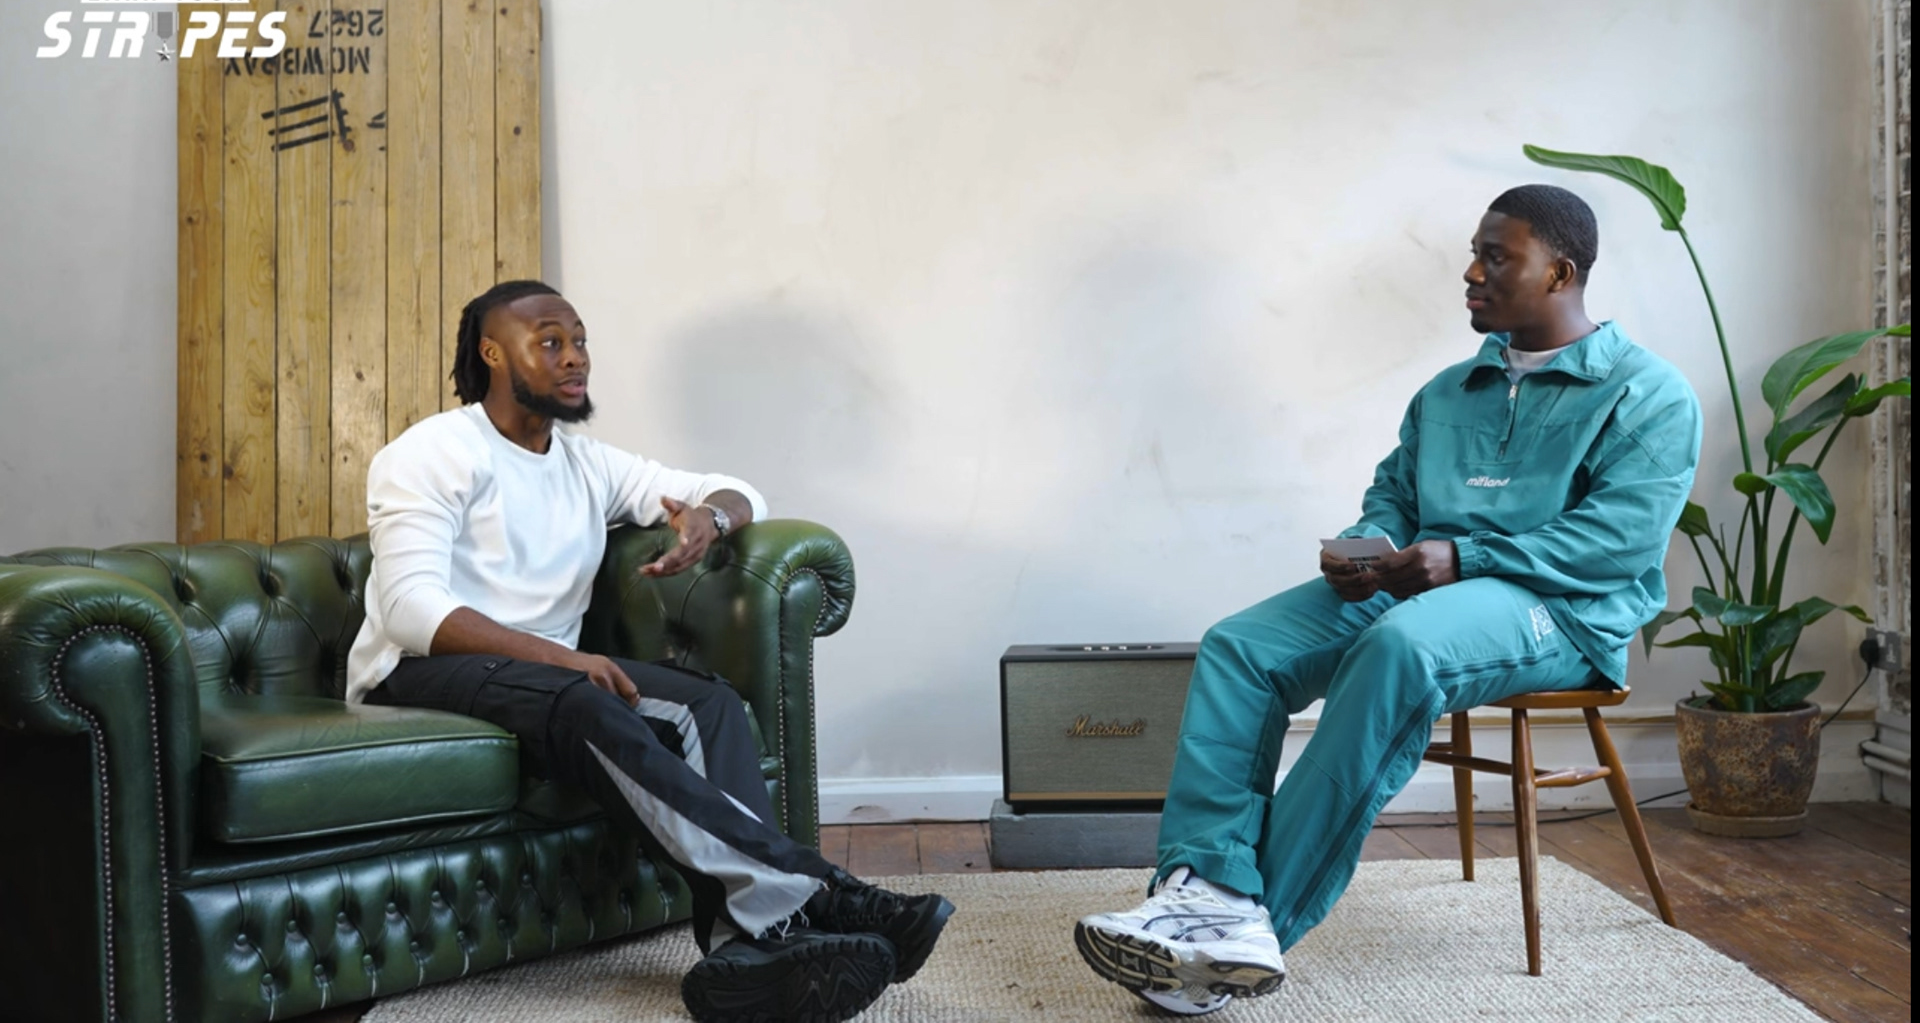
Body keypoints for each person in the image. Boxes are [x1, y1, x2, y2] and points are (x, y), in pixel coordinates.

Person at [1073, 185, 1702, 1015]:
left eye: (1496, 257)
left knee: (1399, 649)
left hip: (1562, 609)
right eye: (1473, 255)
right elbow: (1396, 497)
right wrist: (1364, 548)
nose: (1471, 273)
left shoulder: (1647, 392)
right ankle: (1203, 883)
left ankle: (1244, 927)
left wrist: (1467, 556)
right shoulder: (1448, 390)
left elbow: (1618, 541)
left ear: (1560, 272)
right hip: (1420, 585)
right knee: (1241, 646)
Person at [345, 280, 952, 1023]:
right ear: (492, 353)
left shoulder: (585, 464)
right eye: (549, 342)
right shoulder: (432, 451)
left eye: (579, 340)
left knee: (712, 702)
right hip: (417, 673)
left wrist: (709, 519)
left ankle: (749, 953)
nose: (575, 357)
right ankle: (821, 893)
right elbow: (411, 611)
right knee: (582, 697)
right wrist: (561, 659)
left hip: (540, 679)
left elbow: (736, 490)